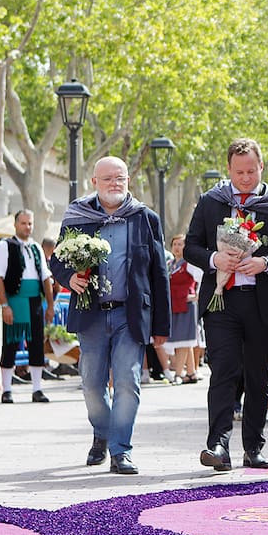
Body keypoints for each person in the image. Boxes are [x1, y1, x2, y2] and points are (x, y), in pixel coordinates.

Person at [184, 138, 268, 471]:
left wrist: (266, 262)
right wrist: (214, 258)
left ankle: (253, 447)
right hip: (222, 301)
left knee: (257, 376)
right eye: (239, 172)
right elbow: (190, 246)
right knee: (223, 371)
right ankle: (218, 446)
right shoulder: (211, 201)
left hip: (262, 303)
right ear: (229, 169)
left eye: (251, 171)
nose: (246, 178)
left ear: (261, 166)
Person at [51, 156, 171, 475]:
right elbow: (57, 261)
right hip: (91, 314)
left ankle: (121, 450)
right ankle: (102, 432)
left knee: (128, 381)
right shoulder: (78, 216)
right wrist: (69, 278)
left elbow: (159, 273)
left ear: (128, 180)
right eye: (107, 179)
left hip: (129, 315)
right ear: (94, 182)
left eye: (120, 178)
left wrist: (162, 326)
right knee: (92, 385)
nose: (114, 183)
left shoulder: (145, 218)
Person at [0, 209, 53, 404]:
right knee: (10, 343)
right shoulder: (5, 246)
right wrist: (4, 305)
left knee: (37, 344)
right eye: (23, 223)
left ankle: (37, 389)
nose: (27, 227)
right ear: (15, 224)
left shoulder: (36, 247)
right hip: (14, 299)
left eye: (30, 223)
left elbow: (45, 277)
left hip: (35, 300)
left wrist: (50, 306)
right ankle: (7, 389)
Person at [162, 234, 201, 384]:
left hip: (186, 306)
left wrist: (196, 296)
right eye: (175, 244)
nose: (177, 247)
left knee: (184, 340)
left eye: (180, 244)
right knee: (181, 339)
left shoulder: (190, 263)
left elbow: (202, 278)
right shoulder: (170, 264)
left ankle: (178, 374)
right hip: (174, 305)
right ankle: (191, 372)